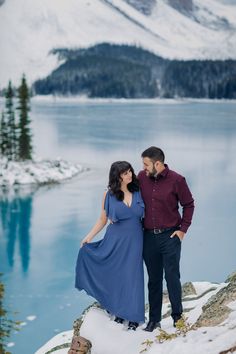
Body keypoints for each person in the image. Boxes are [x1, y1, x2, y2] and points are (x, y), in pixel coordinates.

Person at [75, 161, 145, 330]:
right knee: (117, 276)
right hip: (114, 240)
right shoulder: (109, 195)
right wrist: (89, 236)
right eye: (125, 173)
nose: (130, 175)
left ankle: (134, 316)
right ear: (117, 176)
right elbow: (102, 219)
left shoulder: (138, 191)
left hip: (135, 240)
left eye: (130, 171)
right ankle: (119, 313)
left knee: (133, 277)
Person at [138, 146, 195, 332]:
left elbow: (188, 204)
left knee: (172, 277)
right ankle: (154, 320)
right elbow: (128, 194)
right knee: (153, 280)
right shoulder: (141, 178)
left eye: (146, 164)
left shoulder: (177, 180)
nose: (144, 168)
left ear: (158, 163)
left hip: (170, 236)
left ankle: (178, 317)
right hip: (148, 238)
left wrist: (182, 230)